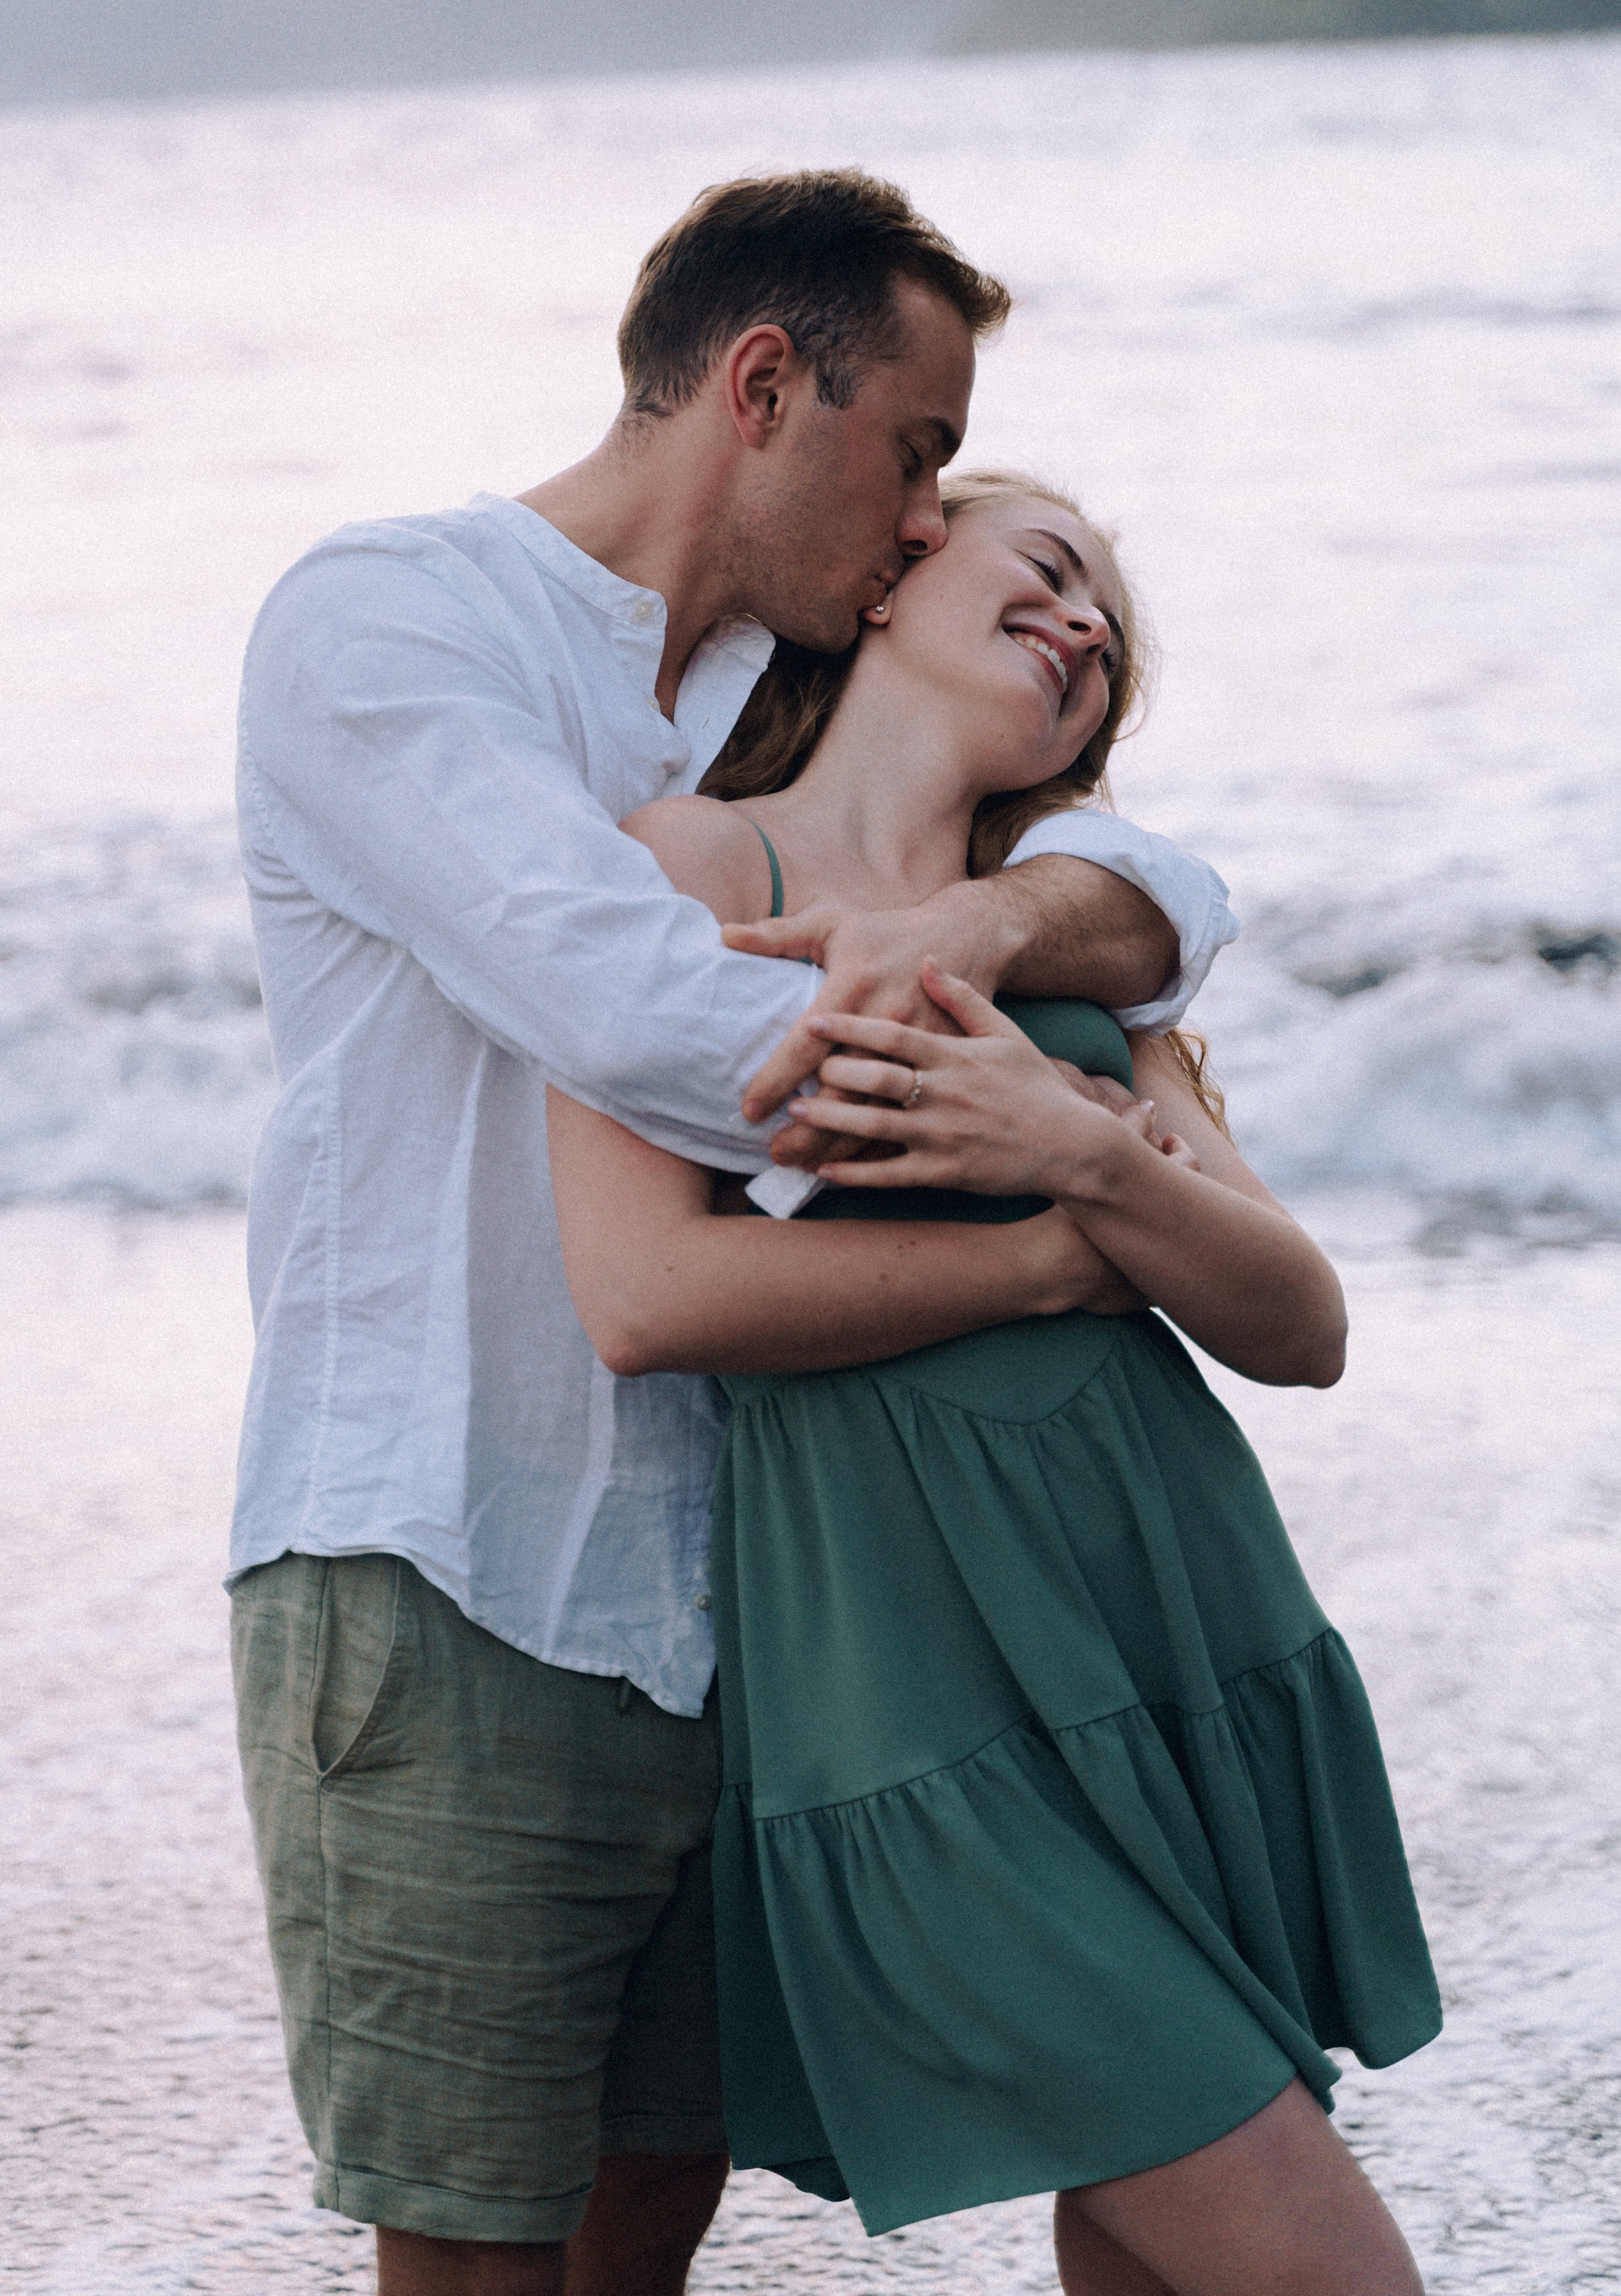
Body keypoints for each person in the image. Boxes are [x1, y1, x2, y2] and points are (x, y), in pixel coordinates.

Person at [227, 174, 1238, 2295]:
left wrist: (1000, 914)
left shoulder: (777, 687)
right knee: (482, 2266)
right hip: (450, 1577)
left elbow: (1152, 875)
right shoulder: (393, 626)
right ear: (767, 389)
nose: (932, 523)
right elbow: (650, 1014)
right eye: (920, 454)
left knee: (641, 2252)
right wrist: (1083, 1167)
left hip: (741, 1609)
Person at [546, 471, 1442, 2296]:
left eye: (1108, 632)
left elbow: (1302, 1322)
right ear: (895, 572)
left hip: (1172, 1638)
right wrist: (1065, 1246)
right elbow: (649, 1294)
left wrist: (1091, 1148)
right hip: (925, 1706)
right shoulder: (696, 869)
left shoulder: (1082, 950)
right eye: (1049, 569)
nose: (1086, 625)